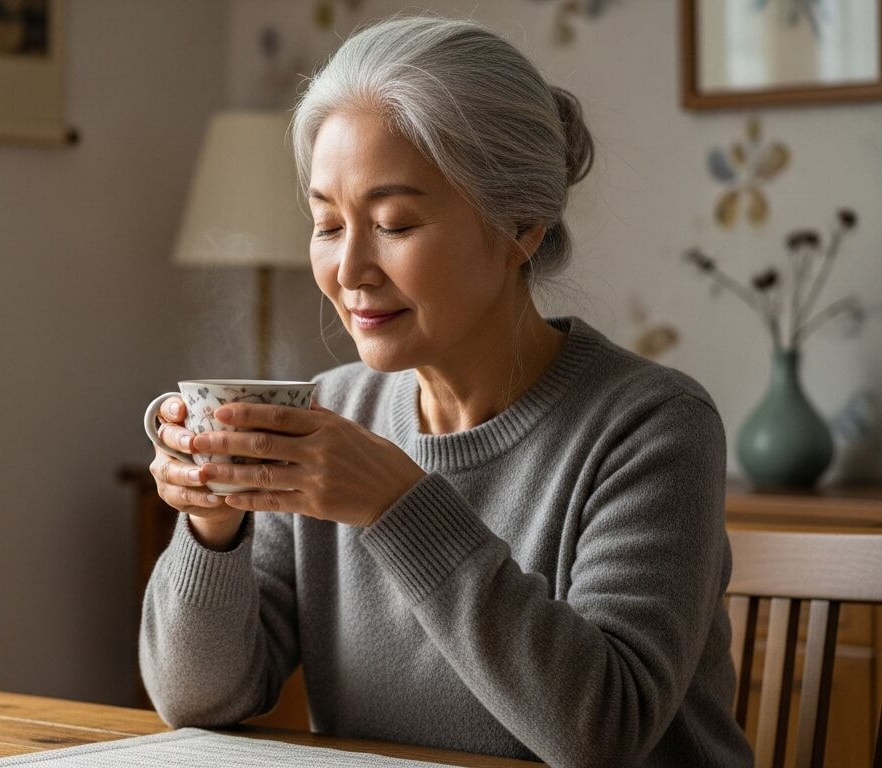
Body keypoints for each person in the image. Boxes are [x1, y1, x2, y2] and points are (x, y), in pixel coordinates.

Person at [140, 14, 753, 768]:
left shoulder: (652, 426)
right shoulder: (331, 417)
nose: (352, 268)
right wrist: (212, 528)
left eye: (394, 223)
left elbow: (603, 732)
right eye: (328, 224)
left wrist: (397, 508)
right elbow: (197, 700)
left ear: (521, 225)